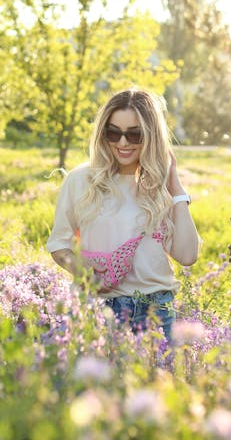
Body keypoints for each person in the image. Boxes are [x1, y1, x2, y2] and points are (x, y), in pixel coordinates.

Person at [46, 87, 200, 340]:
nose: (122, 143)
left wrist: (175, 186)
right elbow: (58, 245)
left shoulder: (160, 188)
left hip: (155, 311)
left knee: (155, 380)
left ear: (151, 136)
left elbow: (187, 255)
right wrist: (79, 268)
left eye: (134, 135)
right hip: (97, 307)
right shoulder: (80, 181)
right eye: (113, 133)